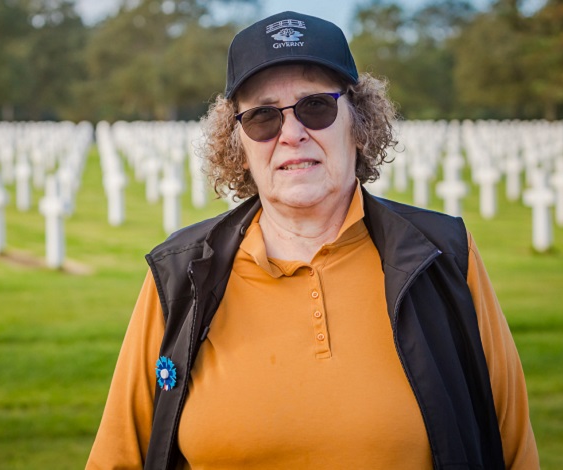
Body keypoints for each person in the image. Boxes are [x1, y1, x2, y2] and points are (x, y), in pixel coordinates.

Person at [87, 11, 539, 470]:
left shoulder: (443, 255)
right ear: (238, 145)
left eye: (316, 107)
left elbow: (512, 446)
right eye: (263, 117)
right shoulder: (180, 273)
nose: (292, 134)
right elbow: (117, 457)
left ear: (358, 124)